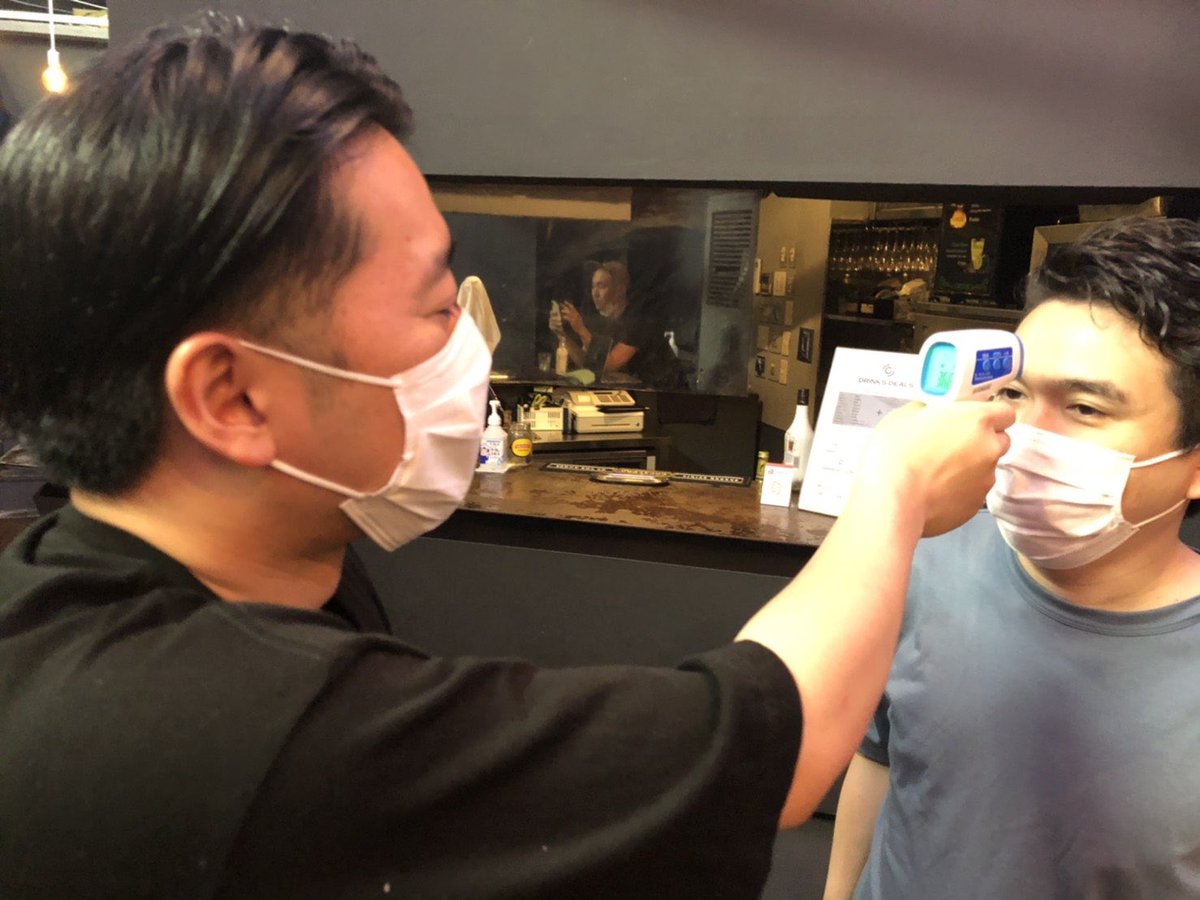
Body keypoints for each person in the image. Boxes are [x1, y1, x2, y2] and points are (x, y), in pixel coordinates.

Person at [0, 14, 1012, 897]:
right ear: (232, 397)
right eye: (436, 308)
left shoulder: (96, 587)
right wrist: (896, 484)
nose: (469, 351)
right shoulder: (238, 738)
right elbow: (765, 743)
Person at [823, 216, 1200, 900]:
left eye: (1084, 408)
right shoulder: (925, 558)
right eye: (1015, 395)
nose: (1023, 435)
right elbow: (880, 762)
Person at [550, 260, 686, 389]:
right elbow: (589, 367)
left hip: (663, 393)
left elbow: (610, 365)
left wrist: (580, 329)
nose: (595, 293)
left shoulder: (637, 321)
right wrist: (562, 335)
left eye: (601, 286)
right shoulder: (604, 322)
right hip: (633, 391)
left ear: (620, 290)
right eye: (593, 286)